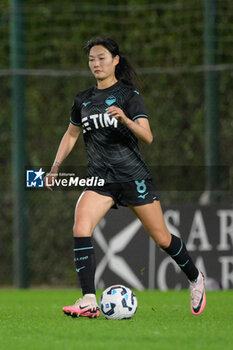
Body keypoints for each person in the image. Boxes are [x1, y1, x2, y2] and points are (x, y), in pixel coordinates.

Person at [45, 36, 206, 318]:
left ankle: (195, 278)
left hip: (133, 177)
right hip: (100, 179)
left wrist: (126, 120)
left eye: (101, 58)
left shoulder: (129, 96)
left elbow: (148, 136)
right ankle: (88, 300)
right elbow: (71, 134)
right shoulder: (82, 99)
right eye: (91, 59)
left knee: (162, 238)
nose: (96, 63)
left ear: (115, 60)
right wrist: (56, 165)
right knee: (81, 227)